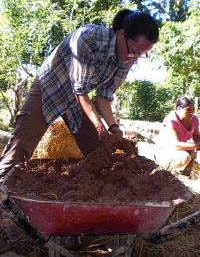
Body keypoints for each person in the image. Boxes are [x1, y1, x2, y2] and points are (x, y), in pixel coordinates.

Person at [0, 9, 159, 182]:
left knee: (99, 150)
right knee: (20, 146)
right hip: (51, 88)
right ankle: (2, 190)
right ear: (121, 34)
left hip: (77, 102)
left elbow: (104, 97)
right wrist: (100, 128)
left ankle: (102, 191)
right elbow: (80, 90)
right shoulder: (88, 38)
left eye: (140, 55)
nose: (134, 58)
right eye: (134, 51)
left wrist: (114, 129)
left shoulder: (126, 58)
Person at [154, 94, 200, 175]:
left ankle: (185, 172)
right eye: (188, 109)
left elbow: (196, 137)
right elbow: (176, 145)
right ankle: (165, 172)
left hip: (180, 150)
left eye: (193, 109)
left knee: (192, 154)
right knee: (184, 158)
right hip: (164, 150)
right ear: (179, 109)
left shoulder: (195, 119)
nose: (191, 112)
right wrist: (197, 145)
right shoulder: (171, 120)